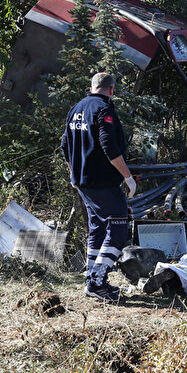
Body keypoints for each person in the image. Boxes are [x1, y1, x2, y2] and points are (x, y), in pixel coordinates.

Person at [60, 72, 137, 302]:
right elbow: (109, 146)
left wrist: (74, 175)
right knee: (118, 229)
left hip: (83, 183)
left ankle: (91, 280)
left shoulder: (76, 109)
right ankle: (97, 282)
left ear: (92, 87)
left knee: (98, 229)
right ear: (111, 90)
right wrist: (128, 177)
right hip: (102, 182)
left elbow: (65, 146)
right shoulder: (104, 110)